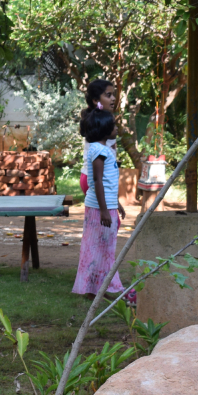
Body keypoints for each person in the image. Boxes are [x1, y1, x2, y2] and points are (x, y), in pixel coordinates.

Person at [73, 108, 127, 298]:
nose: (116, 127)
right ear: (104, 128)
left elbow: (108, 183)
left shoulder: (102, 149)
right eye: (113, 124)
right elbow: (96, 181)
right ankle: (106, 287)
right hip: (99, 209)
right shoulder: (99, 151)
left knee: (101, 247)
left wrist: (116, 203)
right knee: (102, 248)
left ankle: (94, 287)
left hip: (105, 206)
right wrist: (104, 210)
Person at [79, 80, 117, 195]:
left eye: (113, 94)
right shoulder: (97, 122)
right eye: (108, 95)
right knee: (103, 212)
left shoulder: (102, 119)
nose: (113, 98)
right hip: (96, 179)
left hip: (98, 178)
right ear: (95, 100)